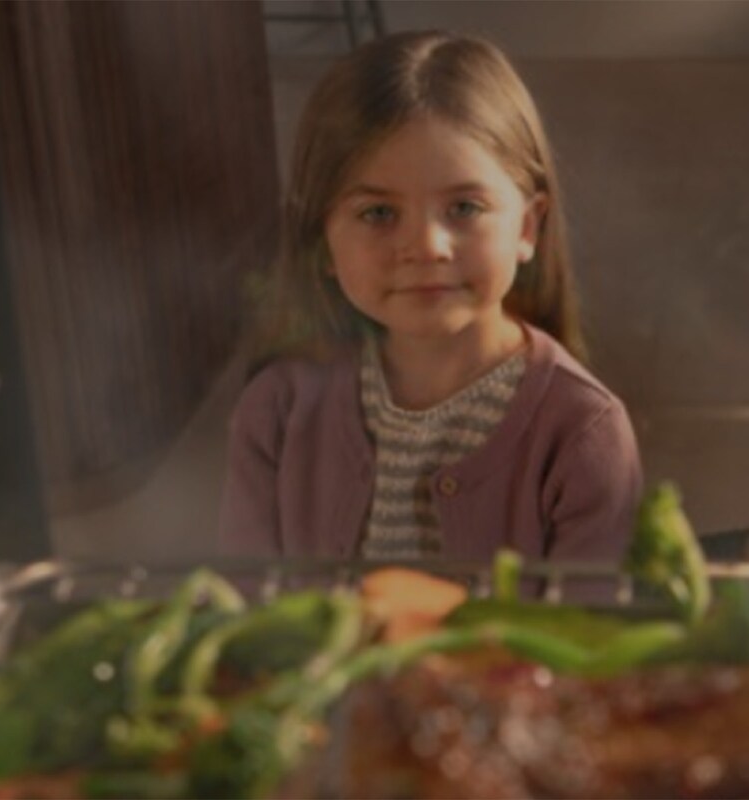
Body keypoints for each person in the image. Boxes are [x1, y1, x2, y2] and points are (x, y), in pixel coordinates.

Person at [219, 30, 641, 564]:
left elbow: (587, 636)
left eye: (464, 208)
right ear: (321, 240)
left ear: (528, 228)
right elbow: (248, 624)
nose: (425, 247)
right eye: (378, 213)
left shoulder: (584, 433)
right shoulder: (273, 413)